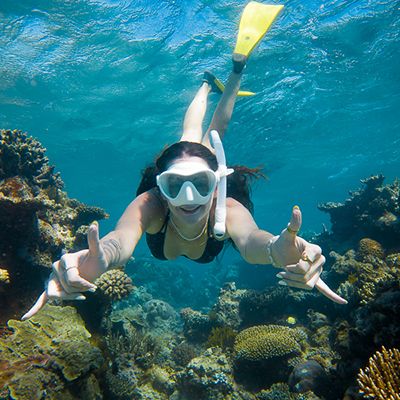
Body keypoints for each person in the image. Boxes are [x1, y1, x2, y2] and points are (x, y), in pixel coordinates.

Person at [22, 2, 346, 321]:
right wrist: (99, 259)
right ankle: (206, 85)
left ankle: (235, 72)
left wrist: (279, 251)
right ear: (161, 187)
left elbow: (252, 241)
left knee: (211, 131)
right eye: (175, 185)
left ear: (215, 181)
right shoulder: (151, 204)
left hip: (201, 161)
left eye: (201, 184)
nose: (189, 198)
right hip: (186, 157)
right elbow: (119, 240)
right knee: (195, 132)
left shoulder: (226, 208)